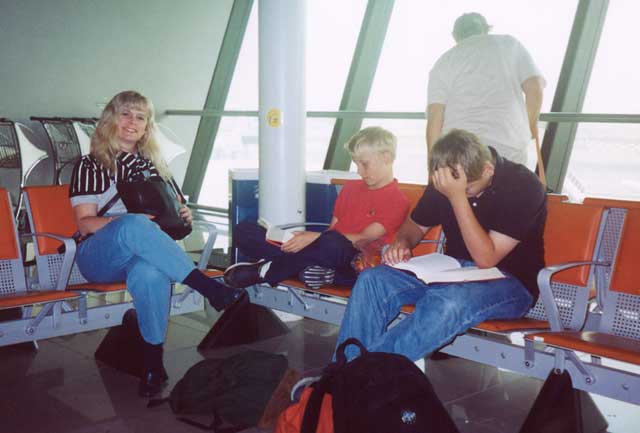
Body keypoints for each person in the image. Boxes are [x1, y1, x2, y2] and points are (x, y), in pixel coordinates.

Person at [68, 90, 242, 397]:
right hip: (99, 255)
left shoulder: (156, 167)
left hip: (141, 253)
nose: (132, 122)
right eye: (125, 114)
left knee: (150, 272)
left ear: (147, 126)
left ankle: (152, 364)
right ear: (111, 119)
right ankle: (209, 288)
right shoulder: (91, 165)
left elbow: (172, 226)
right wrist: (126, 224)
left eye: (140, 117)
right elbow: (85, 223)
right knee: (133, 223)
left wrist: (183, 216)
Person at [335, 129, 546, 362]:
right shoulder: (446, 178)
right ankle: (346, 369)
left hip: (510, 282)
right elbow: (414, 225)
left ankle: (358, 376)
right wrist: (403, 242)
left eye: (467, 189)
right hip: (451, 271)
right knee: (373, 280)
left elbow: (485, 259)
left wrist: (457, 197)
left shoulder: (523, 186)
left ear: (488, 169)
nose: (458, 193)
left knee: (448, 301)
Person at [223, 126, 410, 290]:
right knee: (245, 230)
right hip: (325, 251)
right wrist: (303, 241)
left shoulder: (397, 200)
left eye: (364, 164)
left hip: (353, 258)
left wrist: (314, 238)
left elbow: (362, 239)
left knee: (333, 244)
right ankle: (305, 268)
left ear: (387, 158)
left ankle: (267, 269)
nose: (359, 172)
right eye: (356, 164)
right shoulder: (350, 188)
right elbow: (332, 228)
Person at [426, 12, 545, 166]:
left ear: (455, 35)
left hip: (460, 152)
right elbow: (535, 87)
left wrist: (433, 167)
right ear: (486, 28)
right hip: (509, 149)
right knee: (510, 188)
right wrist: (529, 126)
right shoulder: (509, 44)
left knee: (461, 189)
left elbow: (435, 117)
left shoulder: (443, 62)